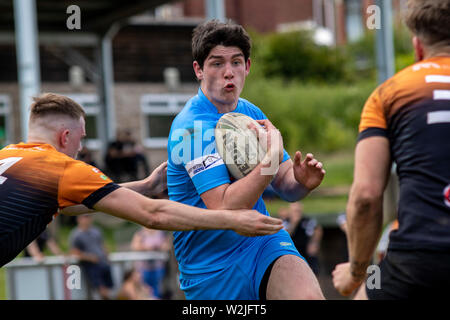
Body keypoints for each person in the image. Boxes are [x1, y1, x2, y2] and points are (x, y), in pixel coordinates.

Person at [0, 92, 284, 267]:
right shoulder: (60, 168)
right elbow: (154, 214)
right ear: (65, 137)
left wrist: (145, 186)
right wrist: (234, 220)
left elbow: (66, 204)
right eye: (80, 138)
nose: (80, 148)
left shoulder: (8, 156)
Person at [167, 20, 326, 300]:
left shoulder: (249, 112)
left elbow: (285, 185)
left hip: (261, 243)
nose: (228, 73)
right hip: (210, 268)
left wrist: (301, 181)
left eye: (236, 62)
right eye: (217, 64)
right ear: (198, 70)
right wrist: (271, 160)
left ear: (247, 67)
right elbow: (225, 206)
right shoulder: (191, 128)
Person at [332, 0, 450, 300]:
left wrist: (355, 274)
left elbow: (366, 197)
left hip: (418, 260)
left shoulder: (389, 94)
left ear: (418, 48)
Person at [69, 214, 114, 299]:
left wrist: (107, 257)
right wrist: (89, 257)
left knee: (109, 290)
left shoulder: (96, 231)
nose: (87, 219)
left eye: (88, 216)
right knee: (101, 291)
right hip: (92, 267)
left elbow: (102, 245)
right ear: (79, 219)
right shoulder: (76, 234)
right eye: (85, 216)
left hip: (103, 264)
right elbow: (73, 252)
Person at [130, 227, 171, 298]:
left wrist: (158, 247)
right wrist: (147, 248)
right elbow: (134, 246)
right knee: (144, 290)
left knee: (157, 290)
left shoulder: (161, 233)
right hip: (143, 269)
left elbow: (167, 246)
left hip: (158, 268)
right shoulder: (140, 233)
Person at [287, 202, 322, 276]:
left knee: (313, 264)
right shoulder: (286, 221)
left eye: (299, 211)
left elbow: (317, 230)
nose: (297, 213)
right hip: (292, 249)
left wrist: (314, 243)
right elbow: (285, 235)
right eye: (295, 211)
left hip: (306, 248)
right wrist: (294, 223)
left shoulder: (307, 220)